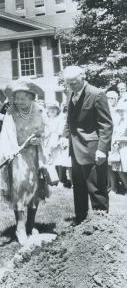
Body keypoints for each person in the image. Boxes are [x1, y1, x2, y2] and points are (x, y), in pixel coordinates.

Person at [0, 80, 45, 245]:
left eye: (22, 98)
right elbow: (7, 135)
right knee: (20, 188)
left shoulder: (39, 110)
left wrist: (39, 140)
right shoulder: (11, 112)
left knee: (35, 188)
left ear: (31, 97)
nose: (18, 101)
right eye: (16, 98)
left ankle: (31, 225)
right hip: (17, 156)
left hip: (35, 156)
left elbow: (45, 132)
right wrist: (14, 149)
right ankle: (20, 227)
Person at [62, 66, 113, 225]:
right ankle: (81, 221)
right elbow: (69, 119)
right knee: (78, 187)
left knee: (97, 188)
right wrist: (65, 136)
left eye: (75, 82)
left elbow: (106, 125)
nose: (72, 85)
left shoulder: (97, 94)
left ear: (83, 76)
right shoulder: (70, 93)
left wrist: (102, 149)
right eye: (69, 83)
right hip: (75, 149)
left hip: (93, 150)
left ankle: (101, 225)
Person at [45, 102, 71, 188]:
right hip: (49, 140)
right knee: (53, 161)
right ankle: (55, 179)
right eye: (50, 109)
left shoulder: (61, 118)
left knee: (60, 161)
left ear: (57, 110)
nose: (52, 111)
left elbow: (61, 131)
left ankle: (62, 180)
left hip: (58, 140)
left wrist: (56, 142)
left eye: (54, 109)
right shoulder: (48, 119)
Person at [109, 100, 127, 192]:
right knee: (120, 169)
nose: (120, 112)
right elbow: (115, 134)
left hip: (125, 147)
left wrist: (120, 139)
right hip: (119, 148)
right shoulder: (119, 121)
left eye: (122, 110)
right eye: (119, 110)